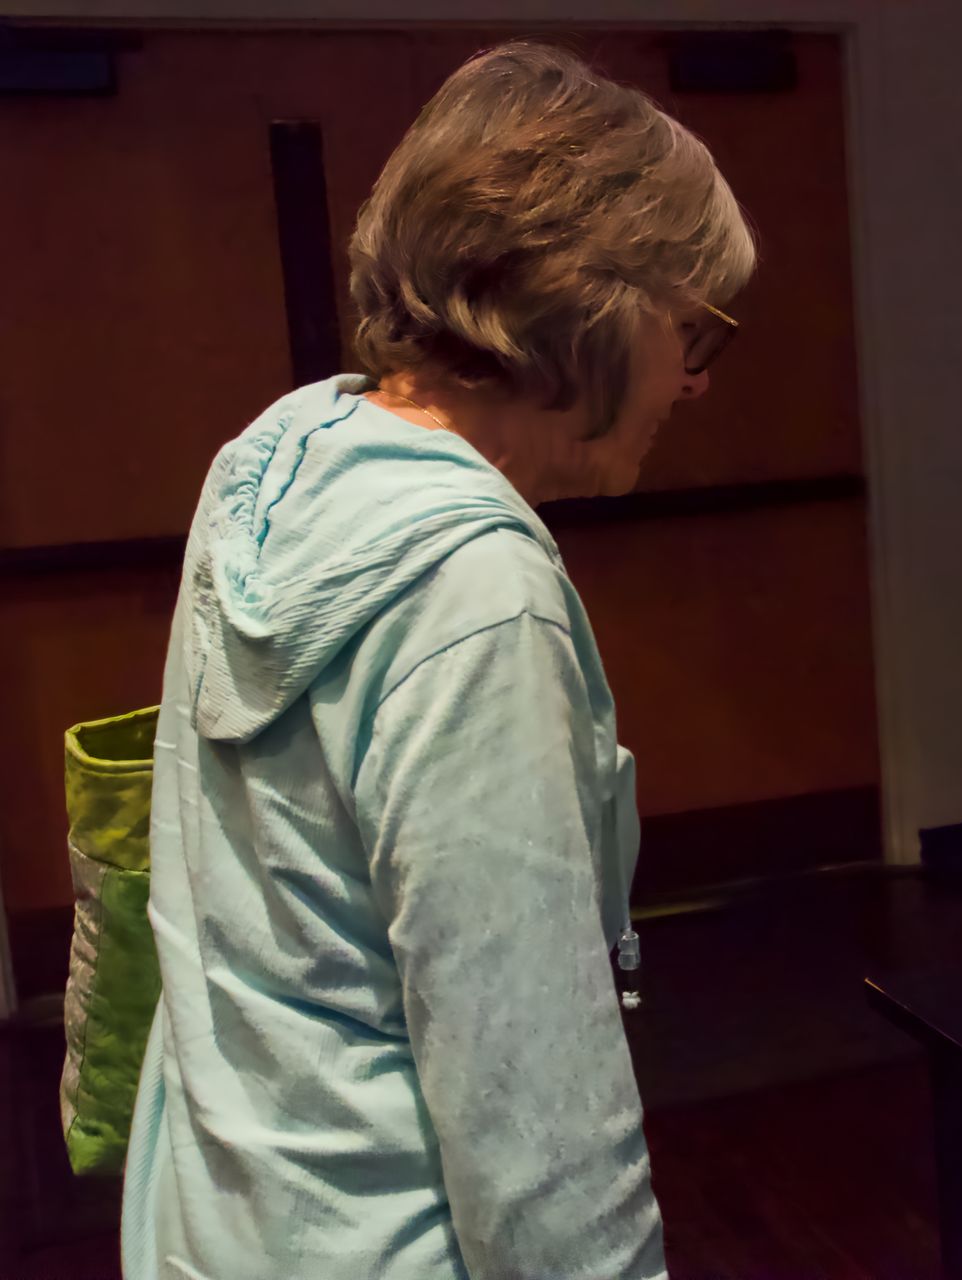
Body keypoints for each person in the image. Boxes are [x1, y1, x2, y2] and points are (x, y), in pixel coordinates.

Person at [123, 43, 752, 1278]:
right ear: (593, 301)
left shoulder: (275, 455)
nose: (695, 379)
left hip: (219, 1220)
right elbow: (539, 1137)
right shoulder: (475, 596)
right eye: (692, 328)